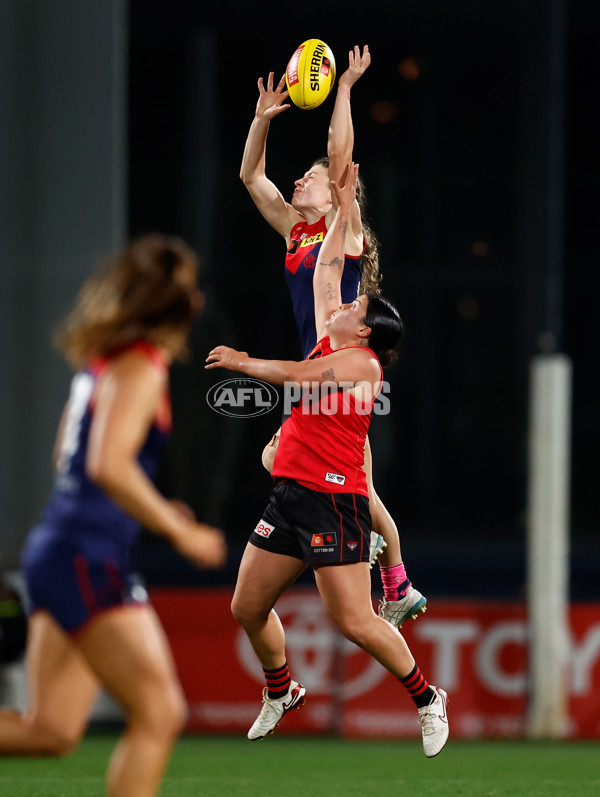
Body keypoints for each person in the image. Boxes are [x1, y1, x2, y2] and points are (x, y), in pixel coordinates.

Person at [207, 165, 448, 757]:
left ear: (364, 329)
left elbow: (293, 375)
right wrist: (340, 206)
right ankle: (282, 689)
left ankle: (427, 698)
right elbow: (325, 268)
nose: (341, 301)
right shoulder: (328, 336)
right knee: (246, 605)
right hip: (291, 493)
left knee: (356, 622)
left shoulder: (361, 365)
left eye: (353, 305)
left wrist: (242, 361)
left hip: (333, 499)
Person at [0, 235, 227, 797]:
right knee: (160, 712)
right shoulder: (140, 367)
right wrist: (180, 529)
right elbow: (107, 464)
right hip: (86, 557)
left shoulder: (106, 363)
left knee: (50, 731)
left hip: (63, 548)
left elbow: (69, 457)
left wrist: (140, 499)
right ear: (186, 306)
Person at [240, 46, 426, 628]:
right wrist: (262, 120)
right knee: (335, 474)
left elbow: (342, 156)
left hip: (338, 371)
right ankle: (392, 576)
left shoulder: (344, 233)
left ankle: (390, 569)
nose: (302, 180)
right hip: (315, 367)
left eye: (313, 178)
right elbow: (251, 175)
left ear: (335, 193)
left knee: (316, 468)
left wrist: (344, 87)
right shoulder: (298, 233)